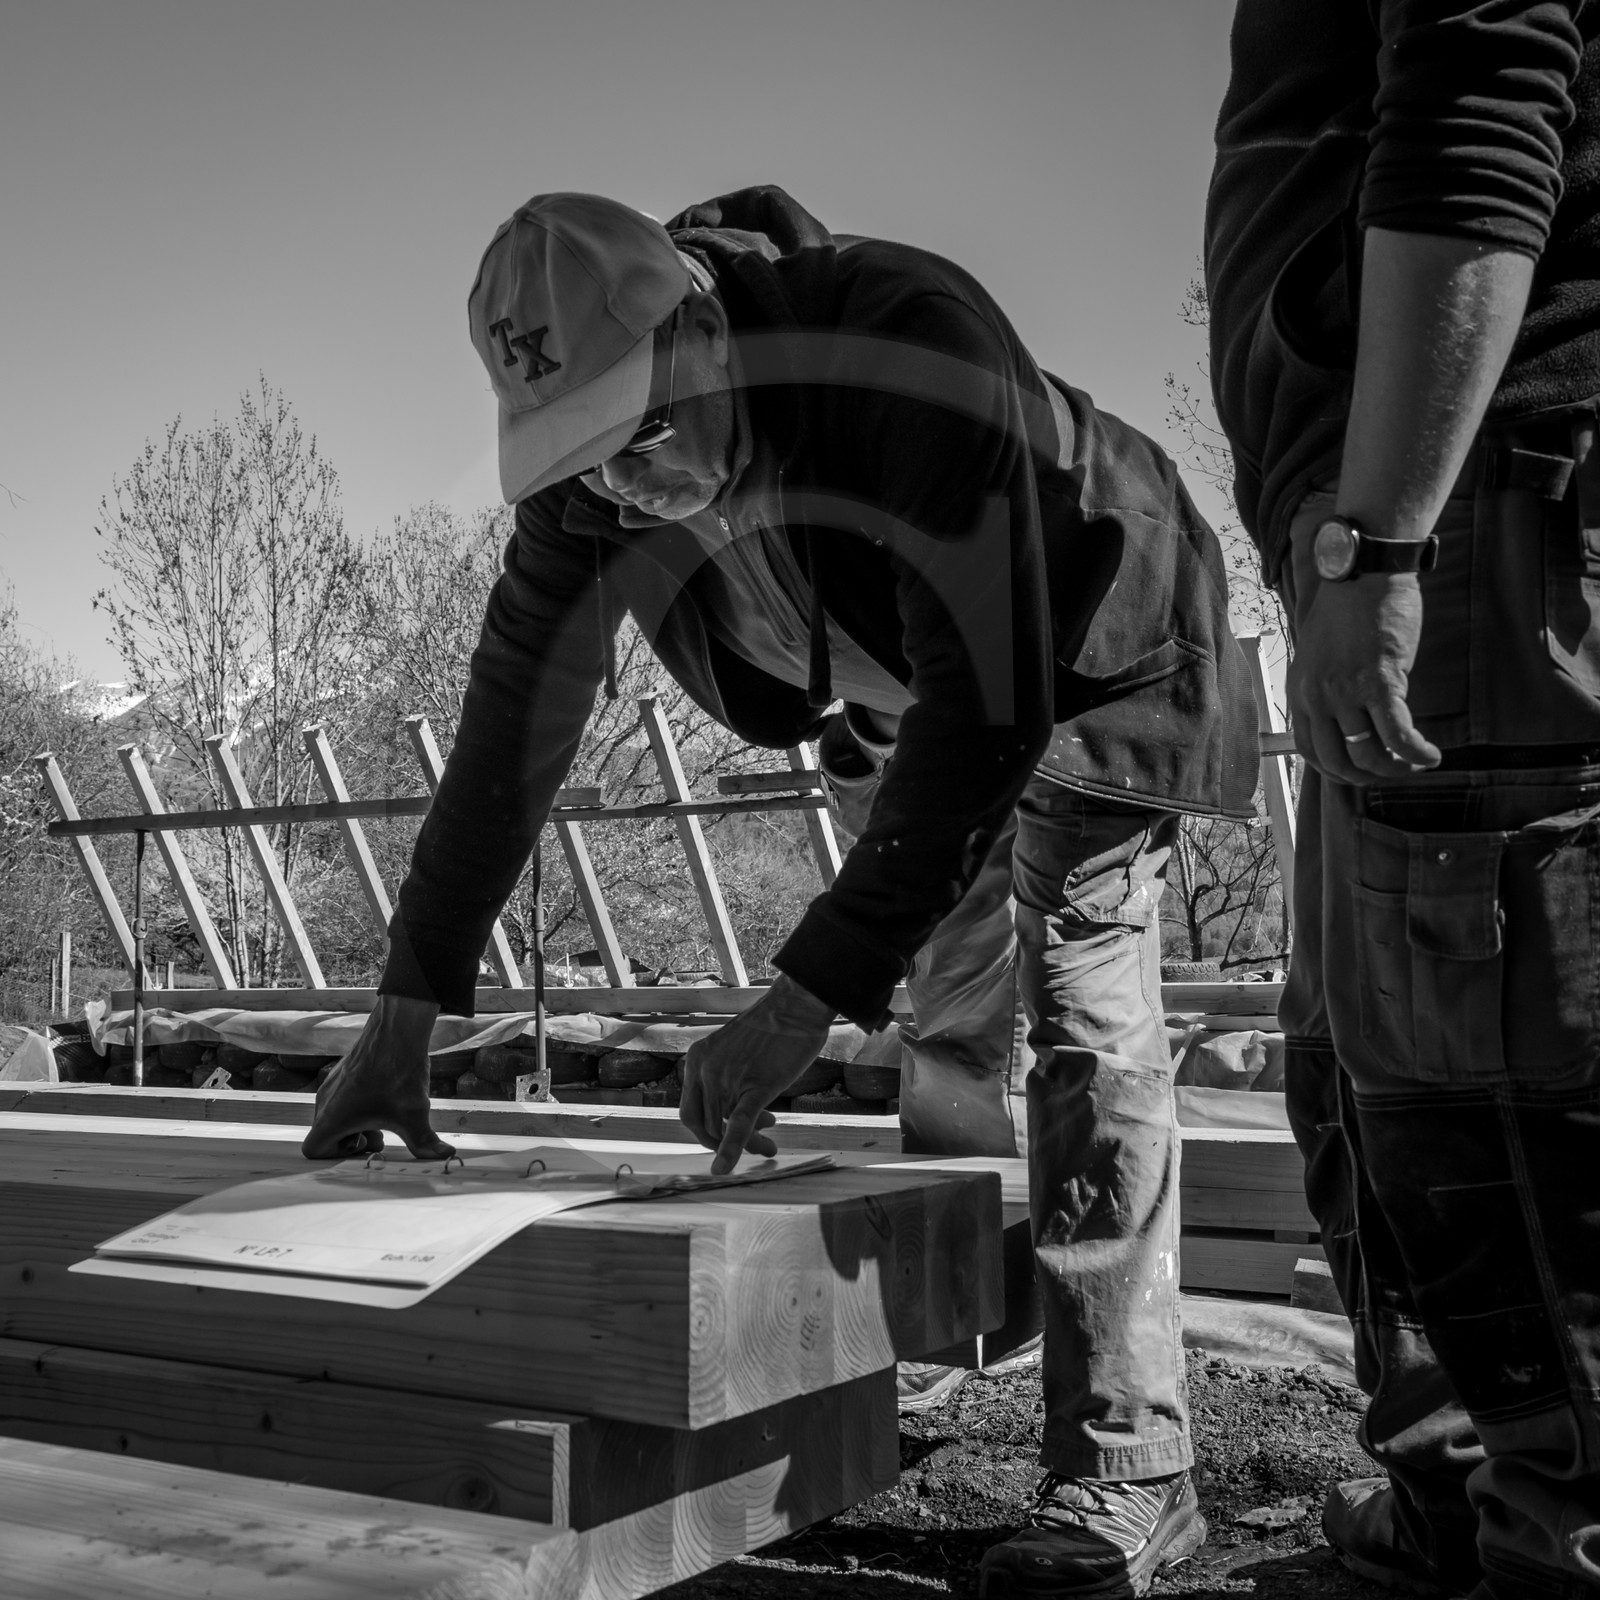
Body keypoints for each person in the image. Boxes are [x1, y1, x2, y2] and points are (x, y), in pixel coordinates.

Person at [307, 185, 1259, 1595]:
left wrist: (801, 997)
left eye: (639, 439)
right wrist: (405, 1012)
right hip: (900, 694)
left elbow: (992, 703)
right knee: (942, 1016)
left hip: (1078, 657)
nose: (622, 487)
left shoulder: (903, 344)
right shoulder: (594, 471)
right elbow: (511, 724)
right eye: (583, 460)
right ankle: (923, 1337)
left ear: (703, 328)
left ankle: (1130, 1461)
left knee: (1083, 1016)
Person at [1206, 5, 1600, 1596]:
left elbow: (1481, 83)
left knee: (1502, 1120)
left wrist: (1381, 535)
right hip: (1410, 527)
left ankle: (1553, 1542)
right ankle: (1457, 1506)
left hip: (1463, 512)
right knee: (1367, 1078)